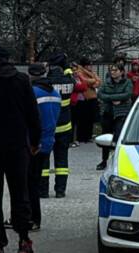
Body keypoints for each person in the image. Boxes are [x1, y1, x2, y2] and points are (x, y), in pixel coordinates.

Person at [0, 46, 41, 253]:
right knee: (20, 193)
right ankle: (24, 241)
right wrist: (34, 142)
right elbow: (32, 114)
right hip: (18, 146)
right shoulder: (22, 80)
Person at [26, 64, 61, 232]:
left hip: (33, 143)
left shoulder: (32, 93)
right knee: (34, 181)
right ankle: (29, 217)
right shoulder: (55, 93)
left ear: (30, 75)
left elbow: (30, 120)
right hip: (48, 142)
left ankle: (32, 219)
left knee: (28, 183)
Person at [44, 52, 76, 198]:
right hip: (65, 126)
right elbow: (74, 81)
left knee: (43, 160)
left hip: (48, 127)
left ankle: (43, 190)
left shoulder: (46, 82)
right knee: (62, 160)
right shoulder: (69, 81)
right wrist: (68, 69)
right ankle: (60, 190)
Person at [96, 64, 133, 171]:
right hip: (108, 112)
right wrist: (113, 98)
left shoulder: (127, 82)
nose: (113, 72)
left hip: (121, 112)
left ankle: (118, 160)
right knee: (105, 137)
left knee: (118, 136)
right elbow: (101, 94)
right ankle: (104, 160)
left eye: (115, 70)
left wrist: (115, 98)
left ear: (121, 72)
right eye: (111, 70)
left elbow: (127, 94)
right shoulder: (107, 82)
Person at [72, 57, 101, 143]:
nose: (90, 67)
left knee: (90, 118)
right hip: (84, 98)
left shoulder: (92, 73)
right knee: (82, 119)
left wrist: (94, 83)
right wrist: (94, 81)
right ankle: (81, 137)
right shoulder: (80, 72)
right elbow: (85, 81)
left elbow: (99, 81)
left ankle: (88, 136)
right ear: (84, 66)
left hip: (92, 98)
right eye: (88, 65)